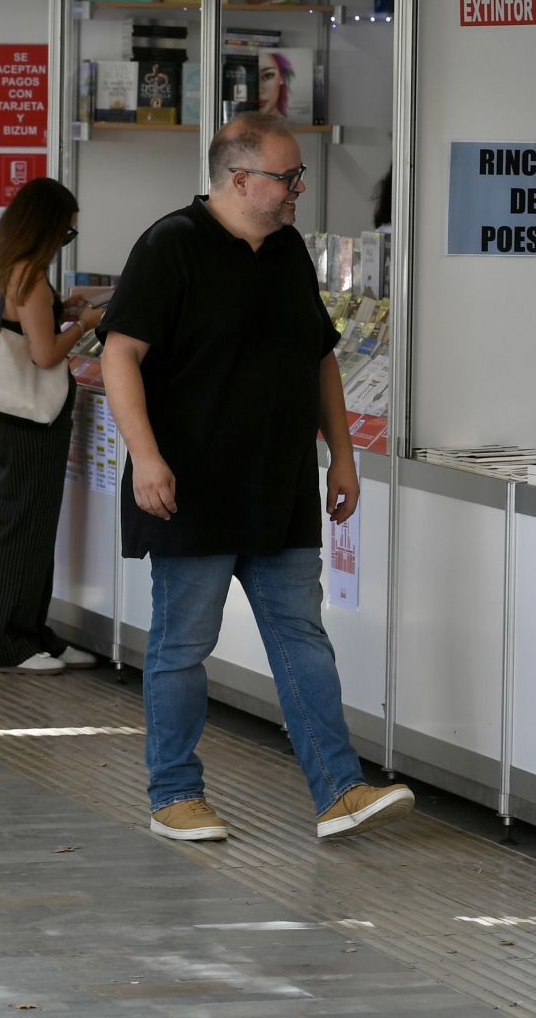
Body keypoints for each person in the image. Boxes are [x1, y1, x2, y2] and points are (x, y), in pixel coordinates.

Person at [99, 112, 415, 844]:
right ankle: (174, 793)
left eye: (297, 174)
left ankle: (339, 788)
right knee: (183, 643)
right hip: (191, 487)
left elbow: (319, 356)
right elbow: (120, 354)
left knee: (303, 637)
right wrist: (146, 457)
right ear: (239, 179)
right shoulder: (169, 245)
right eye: (287, 176)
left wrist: (341, 452)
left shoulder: (287, 252)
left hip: (278, 488)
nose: (297, 187)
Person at [0, 179, 105, 673]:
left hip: (5, 411)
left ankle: (30, 630)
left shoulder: (0, 267)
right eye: (66, 232)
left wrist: (60, 310)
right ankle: (7, 641)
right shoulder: (29, 277)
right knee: (24, 523)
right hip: (32, 415)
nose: (67, 240)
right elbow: (44, 354)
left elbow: (19, 327)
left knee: (25, 521)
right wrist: (83, 324)